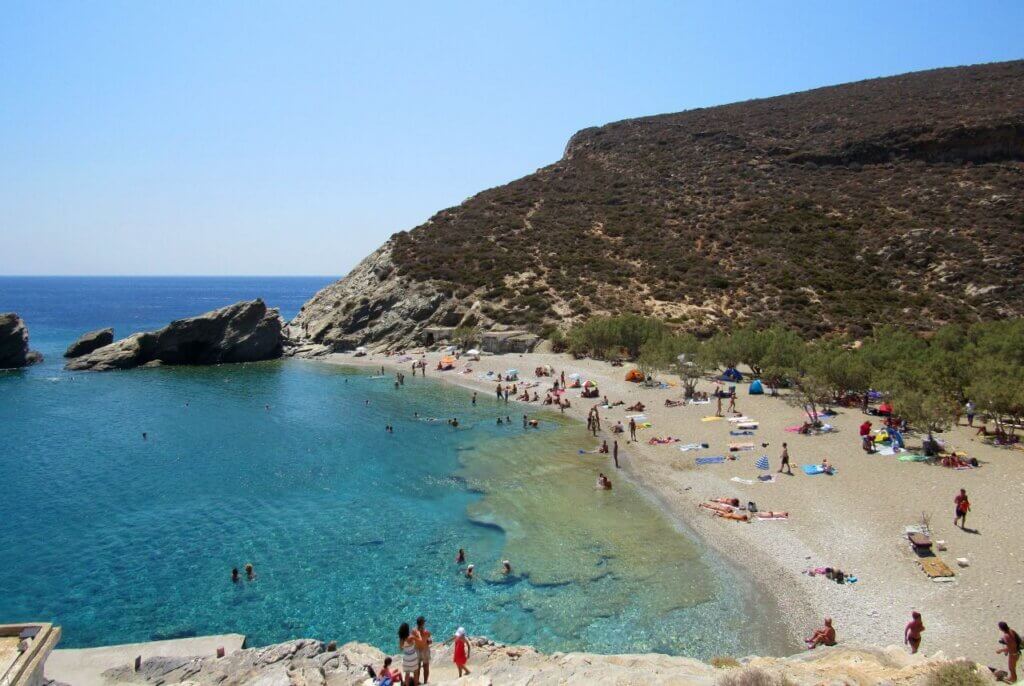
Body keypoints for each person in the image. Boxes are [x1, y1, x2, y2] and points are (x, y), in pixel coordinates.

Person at [413, 616, 432, 684]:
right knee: (426, 666)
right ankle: (425, 682)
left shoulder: (414, 631)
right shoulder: (427, 632)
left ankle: (417, 682)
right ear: (423, 623)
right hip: (425, 650)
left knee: (417, 667)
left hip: (416, 650)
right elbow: (430, 641)